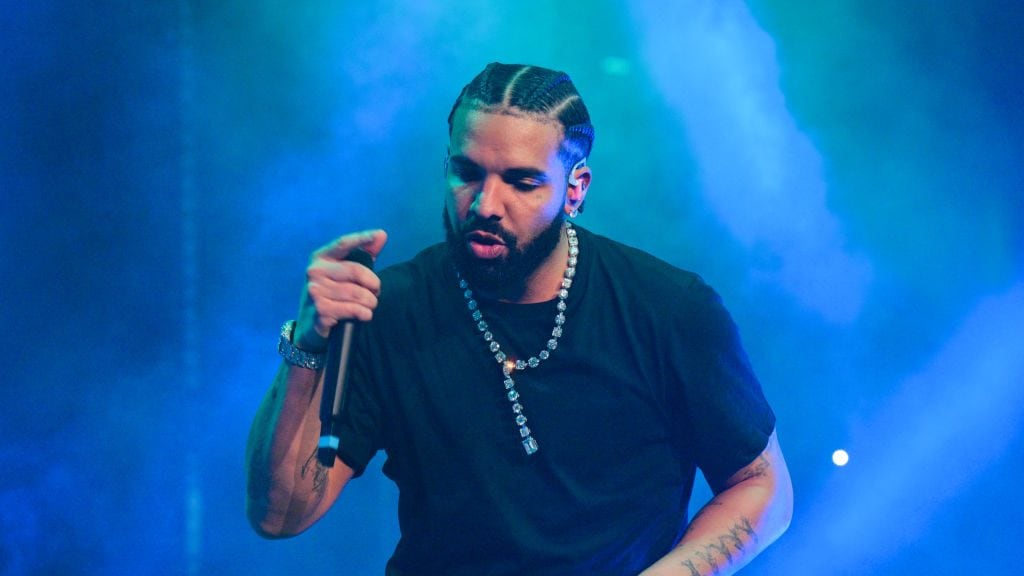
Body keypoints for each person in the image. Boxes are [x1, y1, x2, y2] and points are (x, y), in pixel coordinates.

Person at [246, 62, 792, 576]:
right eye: (466, 172)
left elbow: (762, 485)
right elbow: (281, 516)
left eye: (522, 182)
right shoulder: (392, 308)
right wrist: (309, 345)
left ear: (575, 189)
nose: (485, 203)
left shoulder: (669, 308)